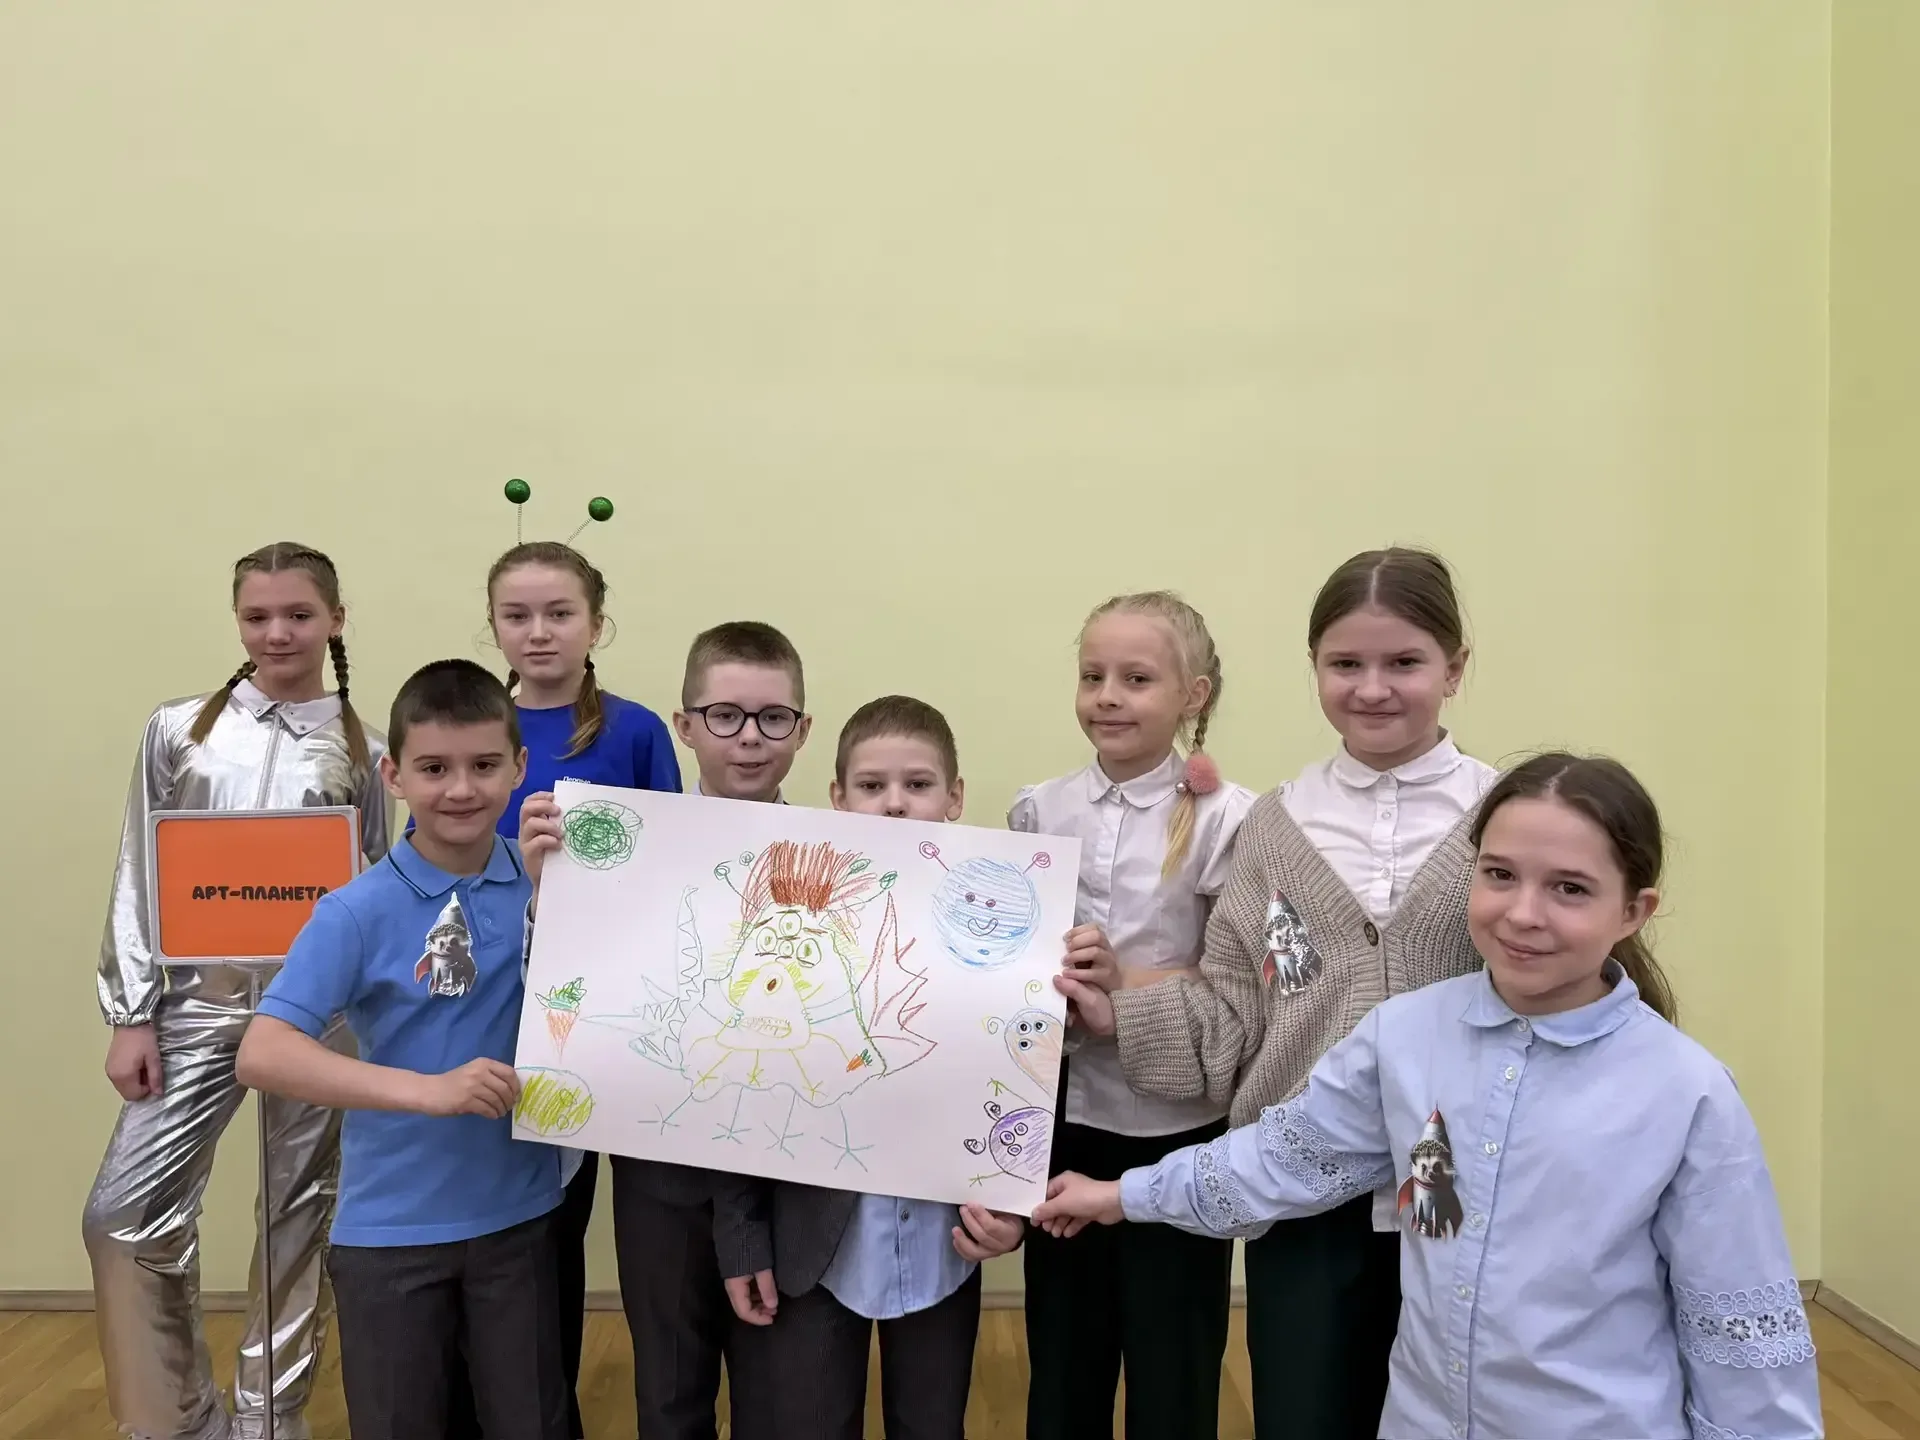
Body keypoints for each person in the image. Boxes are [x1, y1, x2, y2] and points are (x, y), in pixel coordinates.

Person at [1038, 752, 1826, 1440]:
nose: (1523, 913)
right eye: (1500, 875)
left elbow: (1741, 1340)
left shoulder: (1686, 1092)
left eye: (1570, 889)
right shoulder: (1406, 1035)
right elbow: (1283, 1159)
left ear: (1634, 911)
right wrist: (1122, 1193)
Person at [1060, 548, 1497, 1439]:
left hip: (1465, 1184)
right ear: (1315, 669)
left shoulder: (1505, 817)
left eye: (1404, 662)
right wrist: (1116, 1017)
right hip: (1305, 1188)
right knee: (1305, 1411)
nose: (1372, 687)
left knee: (1462, 1413)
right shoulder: (1278, 827)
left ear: (1454, 668)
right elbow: (1244, 1005)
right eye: (1345, 663)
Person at [82, 542, 389, 1440]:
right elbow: (140, 869)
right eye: (257, 616)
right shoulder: (179, 729)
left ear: (334, 620)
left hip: (319, 1018)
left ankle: (270, 1420)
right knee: (121, 1218)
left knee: (298, 1222)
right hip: (193, 1008)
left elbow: (376, 888)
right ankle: (176, 1422)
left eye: (298, 614)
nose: (277, 633)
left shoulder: (367, 748)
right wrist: (131, 1012)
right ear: (238, 623)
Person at [236, 659, 570, 1440]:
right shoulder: (355, 911)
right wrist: (430, 1090)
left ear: (519, 768)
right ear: (393, 776)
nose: (461, 788)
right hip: (390, 1236)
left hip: (520, 1224)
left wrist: (556, 894)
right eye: (434, 768)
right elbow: (264, 1053)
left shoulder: (547, 883)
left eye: (484, 765)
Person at [520, 620, 810, 1440]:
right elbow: (573, 993)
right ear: (684, 727)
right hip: (660, 1171)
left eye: (773, 718)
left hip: (789, 1172)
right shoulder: (619, 851)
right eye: (724, 716)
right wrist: (546, 896)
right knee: (671, 1393)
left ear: (802, 731)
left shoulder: (840, 861)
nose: (749, 738)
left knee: (778, 1399)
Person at [710, 696, 1027, 1440]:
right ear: (838, 797)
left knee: (932, 1425)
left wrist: (1014, 1207)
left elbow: (1027, 1074)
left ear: (954, 797)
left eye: (918, 785)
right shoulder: (784, 928)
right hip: (812, 1250)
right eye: (872, 786)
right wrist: (744, 1235)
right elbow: (741, 1086)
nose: (894, 804)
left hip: (945, 1245)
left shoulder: (1005, 929)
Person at [1011, 592, 1257, 1440]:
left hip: (1180, 1129)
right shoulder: (1039, 810)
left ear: (1193, 694)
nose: (1107, 696)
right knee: (1065, 1359)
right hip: (1064, 1120)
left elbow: (1241, 979)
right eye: (1093, 676)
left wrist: (1124, 985)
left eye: (1136, 679)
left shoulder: (1232, 821)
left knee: (1173, 1364)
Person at [471, 539, 679, 1439]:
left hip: (605, 1016)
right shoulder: (474, 733)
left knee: (595, 1217)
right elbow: (436, 868)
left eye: (559, 613)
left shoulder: (634, 732)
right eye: (517, 615)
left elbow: (674, 871)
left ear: (597, 624)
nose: (539, 632)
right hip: (494, 1008)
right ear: (493, 626)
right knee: (514, 1233)